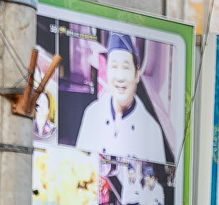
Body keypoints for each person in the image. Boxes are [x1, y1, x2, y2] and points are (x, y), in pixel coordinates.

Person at [73, 31, 170, 162]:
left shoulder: (152, 130)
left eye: (125, 67)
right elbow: (78, 164)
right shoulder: (92, 113)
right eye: (114, 67)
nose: (120, 77)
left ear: (137, 73)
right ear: (106, 71)